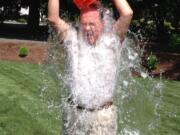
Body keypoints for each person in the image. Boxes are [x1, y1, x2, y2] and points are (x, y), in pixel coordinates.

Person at [48, 0, 133, 134]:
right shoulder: (73, 40)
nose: (87, 28)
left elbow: (127, 13)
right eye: (84, 24)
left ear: (103, 24)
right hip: (73, 115)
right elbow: (53, 18)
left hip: (102, 118)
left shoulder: (111, 41)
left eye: (92, 24)